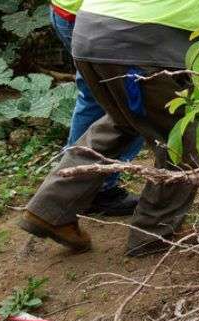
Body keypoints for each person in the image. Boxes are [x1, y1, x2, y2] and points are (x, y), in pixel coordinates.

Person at [18, 0, 199, 257]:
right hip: (136, 44)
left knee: (122, 122)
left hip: (90, 33)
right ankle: (154, 234)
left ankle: (49, 209)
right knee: (181, 135)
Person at [49, 0, 144, 216]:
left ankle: (73, 184)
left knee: (94, 99)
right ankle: (94, 187)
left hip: (72, 12)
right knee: (135, 101)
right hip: (101, 19)